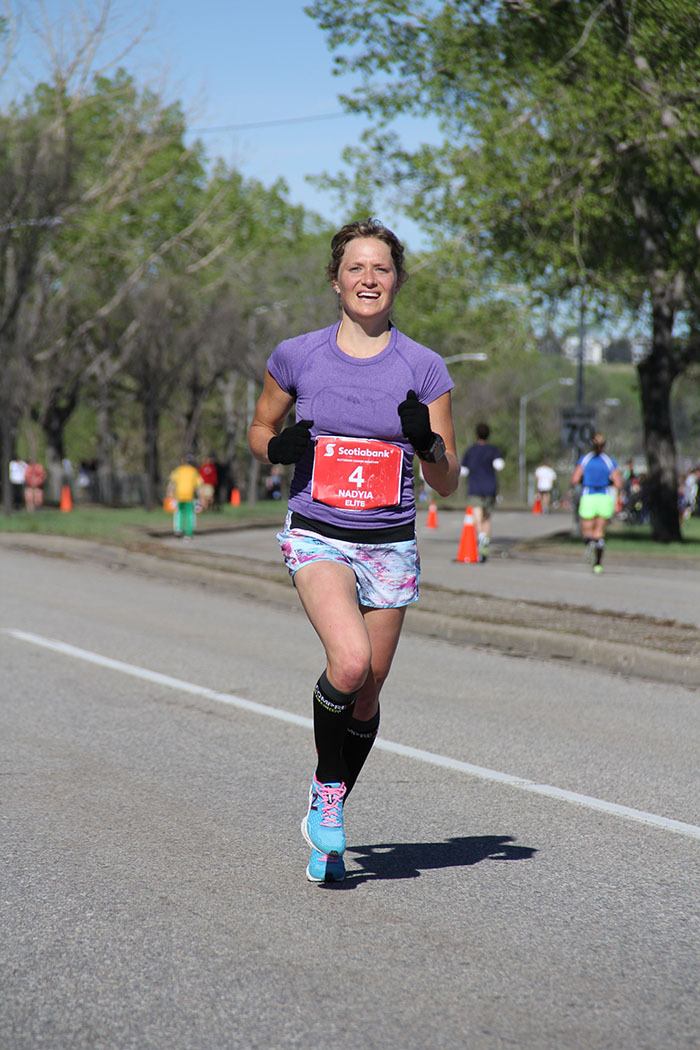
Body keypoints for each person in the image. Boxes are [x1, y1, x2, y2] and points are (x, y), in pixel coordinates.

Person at [248, 218, 459, 884]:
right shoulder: (299, 356)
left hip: (391, 543)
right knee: (349, 661)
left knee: (366, 696)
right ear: (336, 279)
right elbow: (260, 429)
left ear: (397, 279)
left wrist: (426, 444)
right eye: (356, 268)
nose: (369, 279)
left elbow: (445, 480)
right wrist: (277, 449)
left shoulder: (424, 368)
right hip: (319, 533)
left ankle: (323, 809)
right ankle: (331, 800)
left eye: (382, 268)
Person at [570, 433, 623, 574]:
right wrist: (608, 482)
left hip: (589, 495)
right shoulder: (609, 461)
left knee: (587, 530)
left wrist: (585, 480)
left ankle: (590, 545)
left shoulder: (585, 460)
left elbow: (575, 479)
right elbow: (618, 482)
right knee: (599, 532)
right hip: (604, 497)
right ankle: (598, 564)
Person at [460, 422, 505, 560]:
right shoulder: (493, 450)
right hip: (490, 488)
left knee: (477, 516)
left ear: (476, 434)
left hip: (475, 487)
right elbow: (499, 466)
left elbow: (463, 471)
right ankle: (485, 543)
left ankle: (480, 537)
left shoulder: (470, 451)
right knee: (487, 517)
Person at [166, 454, 203, 540]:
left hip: (178, 496)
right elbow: (199, 486)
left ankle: (178, 530)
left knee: (178, 513)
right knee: (190, 514)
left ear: (183, 461)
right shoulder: (194, 472)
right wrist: (201, 497)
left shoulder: (178, 470)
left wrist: (169, 493)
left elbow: (172, 483)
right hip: (189, 496)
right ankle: (188, 533)